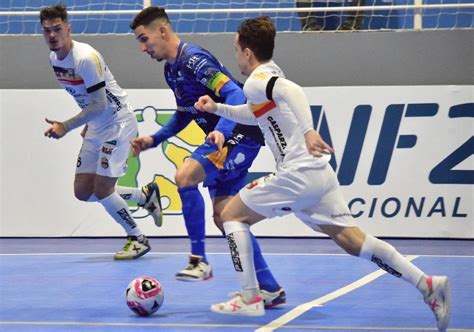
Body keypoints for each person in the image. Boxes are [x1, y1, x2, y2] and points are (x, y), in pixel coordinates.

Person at [194, 16, 451, 332]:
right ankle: (427, 284)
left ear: (247, 52)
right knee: (353, 241)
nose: (236, 57)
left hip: (296, 173)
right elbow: (253, 114)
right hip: (318, 176)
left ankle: (250, 298)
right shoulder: (265, 80)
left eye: (236, 50)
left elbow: (293, 92)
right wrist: (217, 109)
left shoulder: (260, 81)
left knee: (230, 216)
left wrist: (309, 131)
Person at [122, 6, 286, 308]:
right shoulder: (171, 70)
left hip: (238, 135)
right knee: (227, 219)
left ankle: (199, 260)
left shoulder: (194, 60)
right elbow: (185, 114)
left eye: (144, 39)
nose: (143, 48)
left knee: (185, 175)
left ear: (162, 31)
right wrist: (154, 139)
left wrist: (222, 131)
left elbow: (236, 95)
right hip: (225, 141)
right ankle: (270, 289)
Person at [40, 3, 162, 260]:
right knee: (84, 191)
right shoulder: (53, 59)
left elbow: (100, 103)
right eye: (47, 30)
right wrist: (88, 122)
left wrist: (67, 126)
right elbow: (85, 98)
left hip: (117, 123)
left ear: (68, 28)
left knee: (104, 188)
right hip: (97, 123)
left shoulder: (85, 58)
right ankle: (144, 196)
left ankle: (137, 238)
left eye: (57, 29)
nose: (52, 35)